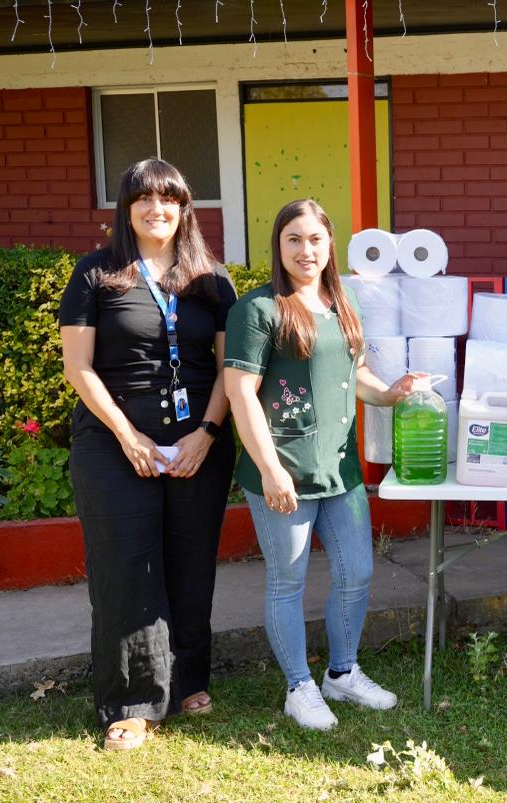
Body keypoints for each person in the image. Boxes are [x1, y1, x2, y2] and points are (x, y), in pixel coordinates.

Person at [59, 159, 237, 751]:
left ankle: (187, 681)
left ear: (184, 208)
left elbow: (229, 369)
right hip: (113, 445)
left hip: (196, 444)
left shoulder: (211, 279)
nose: (156, 209)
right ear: (127, 208)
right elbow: (79, 367)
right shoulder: (96, 274)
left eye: (168, 199)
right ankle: (132, 704)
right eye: (144, 198)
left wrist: (206, 432)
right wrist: (127, 435)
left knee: (190, 563)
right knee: (126, 567)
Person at [224, 199, 410, 730]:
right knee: (289, 580)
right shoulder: (258, 310)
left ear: (330, 245)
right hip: (283, 471)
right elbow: (240, 393)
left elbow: (357, 376)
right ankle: (298, 688)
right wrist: (270, 470)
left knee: (358, 572)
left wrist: (391, 393)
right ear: (278, 246)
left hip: (339, 470)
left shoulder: (343, 302)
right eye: (294, 239)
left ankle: (342, 673)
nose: (305, 250)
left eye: (315, 239)